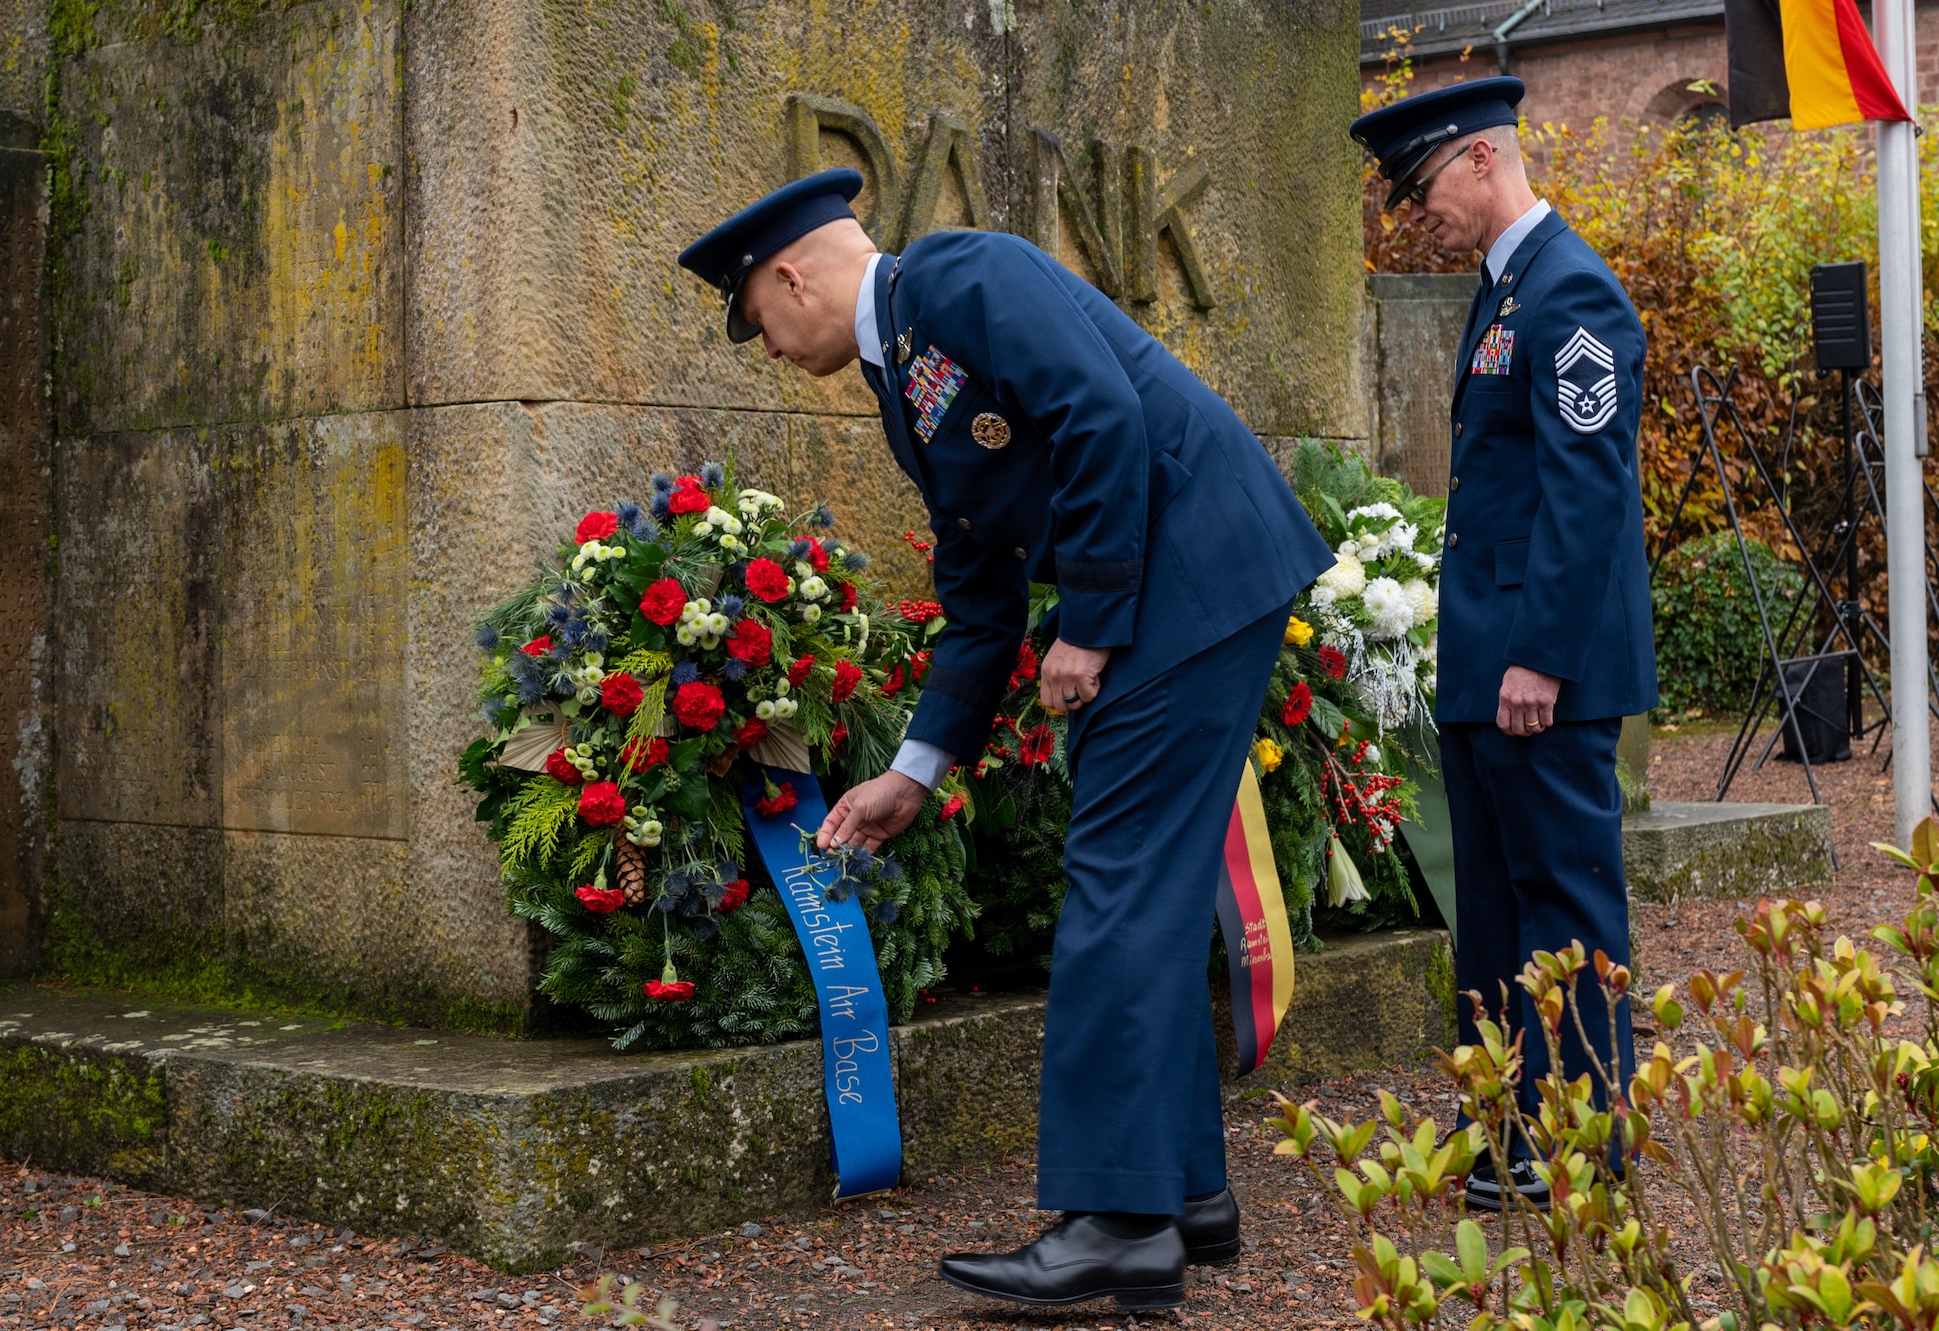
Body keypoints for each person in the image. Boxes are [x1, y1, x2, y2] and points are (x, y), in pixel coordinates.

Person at [678, 170, 1331, 1310]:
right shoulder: (902, 373)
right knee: (1148, 890)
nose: (767, 348)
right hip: (1185, 589)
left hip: (1191, 583)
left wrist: (1084, 620)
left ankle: (1117, 1222)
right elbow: (978, 588)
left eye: (756, 324)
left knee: (1117, 886)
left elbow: (1100, 416)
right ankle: (1178, 1197)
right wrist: (913, 771)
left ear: (790, 276)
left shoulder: (958, 273)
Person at [1349, 78, 1657, 1209]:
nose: (1414, 211)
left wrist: (1538, 655)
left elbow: (1585, 496)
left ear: (1481, 159)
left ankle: (1580, 1142)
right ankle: (1518, 1121)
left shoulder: (1569, 292)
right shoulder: (1509, 288)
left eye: (1422, 185)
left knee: (1563, 907)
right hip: (1491, 668)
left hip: (1540, 673)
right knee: (1494, 911)